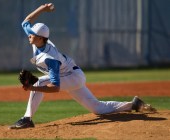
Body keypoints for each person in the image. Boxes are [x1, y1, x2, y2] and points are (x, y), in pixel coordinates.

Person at [9, 3, 153, 129]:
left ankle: (27, 119)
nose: (29, 35)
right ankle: (133, 104)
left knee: (39, 81)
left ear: (40, 38)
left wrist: (32, 87)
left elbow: (56, 87)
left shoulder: (50, 58)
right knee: (97, 108)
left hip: (71, 77)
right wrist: (42, 8)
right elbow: (25, 22)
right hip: (73, 74)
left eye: (32, 34)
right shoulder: (38, 40)